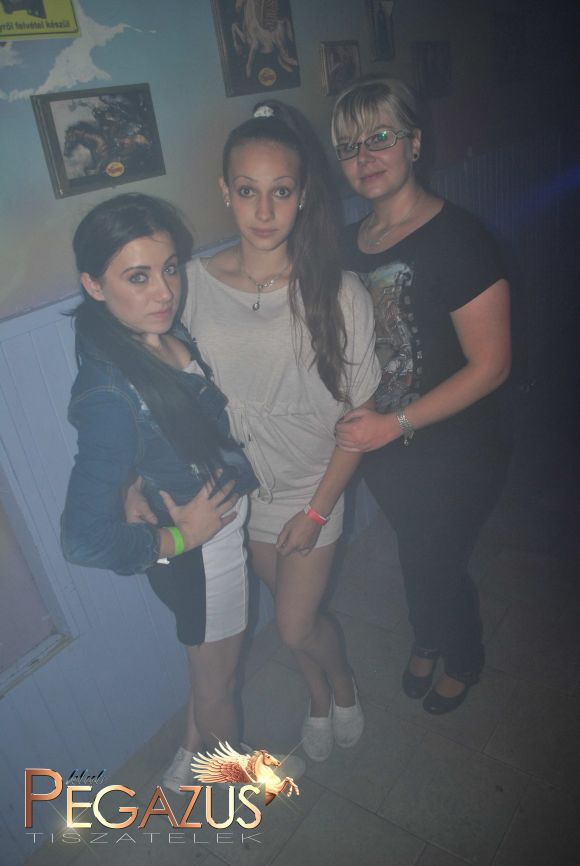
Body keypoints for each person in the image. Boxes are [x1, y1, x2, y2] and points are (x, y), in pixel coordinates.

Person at [182, 101, 382, 761]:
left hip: (313, 486)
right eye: (248, 191)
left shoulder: (338, 291)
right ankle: (319, 699)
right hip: (243, 495)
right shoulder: (192, 287)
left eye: (281, 191)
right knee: (287, 614)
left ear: (303, 196)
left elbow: (359, 421)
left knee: (294, 626)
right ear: (225, 192)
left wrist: (319, 511)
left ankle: (342, 684)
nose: (264, 211)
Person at [60, 193, 260, 791]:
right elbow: (82, 540)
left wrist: (130, 483)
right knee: (219, 687)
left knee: (206, 672)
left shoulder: (145, 334)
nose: (165, 291)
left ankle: (185, 763)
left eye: (170, 268)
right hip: (203, 558)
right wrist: (182, 536)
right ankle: (236, 799)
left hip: (204, 546)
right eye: (138, 277)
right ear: (94, 285)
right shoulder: (107, 389)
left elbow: (149, 437)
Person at [331, 77, 512, 714]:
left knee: (437, 558)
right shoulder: (345, 244)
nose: (364, 156)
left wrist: (394, 423)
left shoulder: (460, 238)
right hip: (384, 447)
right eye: (349, 146)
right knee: (416, 547)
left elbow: (491, 367)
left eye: (379, 137)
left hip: (456, 444)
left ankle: (461, 655)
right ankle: (428, 636)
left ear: (414, 142)